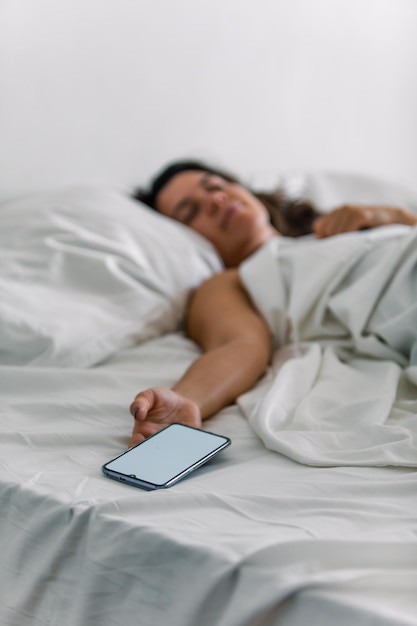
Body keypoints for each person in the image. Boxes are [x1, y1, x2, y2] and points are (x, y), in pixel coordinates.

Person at [129, 160, 417, 447]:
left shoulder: (334, 228)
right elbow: (239, 346)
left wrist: (390, 216)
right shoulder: (230, 281)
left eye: (216, 186)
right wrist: (186, 398)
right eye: (191, 212)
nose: (216, 199)